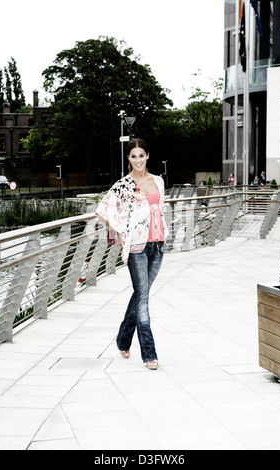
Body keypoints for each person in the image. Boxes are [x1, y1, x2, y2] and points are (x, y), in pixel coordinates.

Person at [96, 138, 168, 371]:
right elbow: (103, 209)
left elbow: (159, 210)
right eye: (133, 156)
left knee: (140, 294)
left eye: (141, 155)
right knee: (144, 298)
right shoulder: (123, 185)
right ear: (128, 158)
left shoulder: (158, 181)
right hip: (137, 246)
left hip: (157, 245)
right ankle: (149, 353)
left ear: (148, 156)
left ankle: (123, 339)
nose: (138, 160)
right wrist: (118, 231)